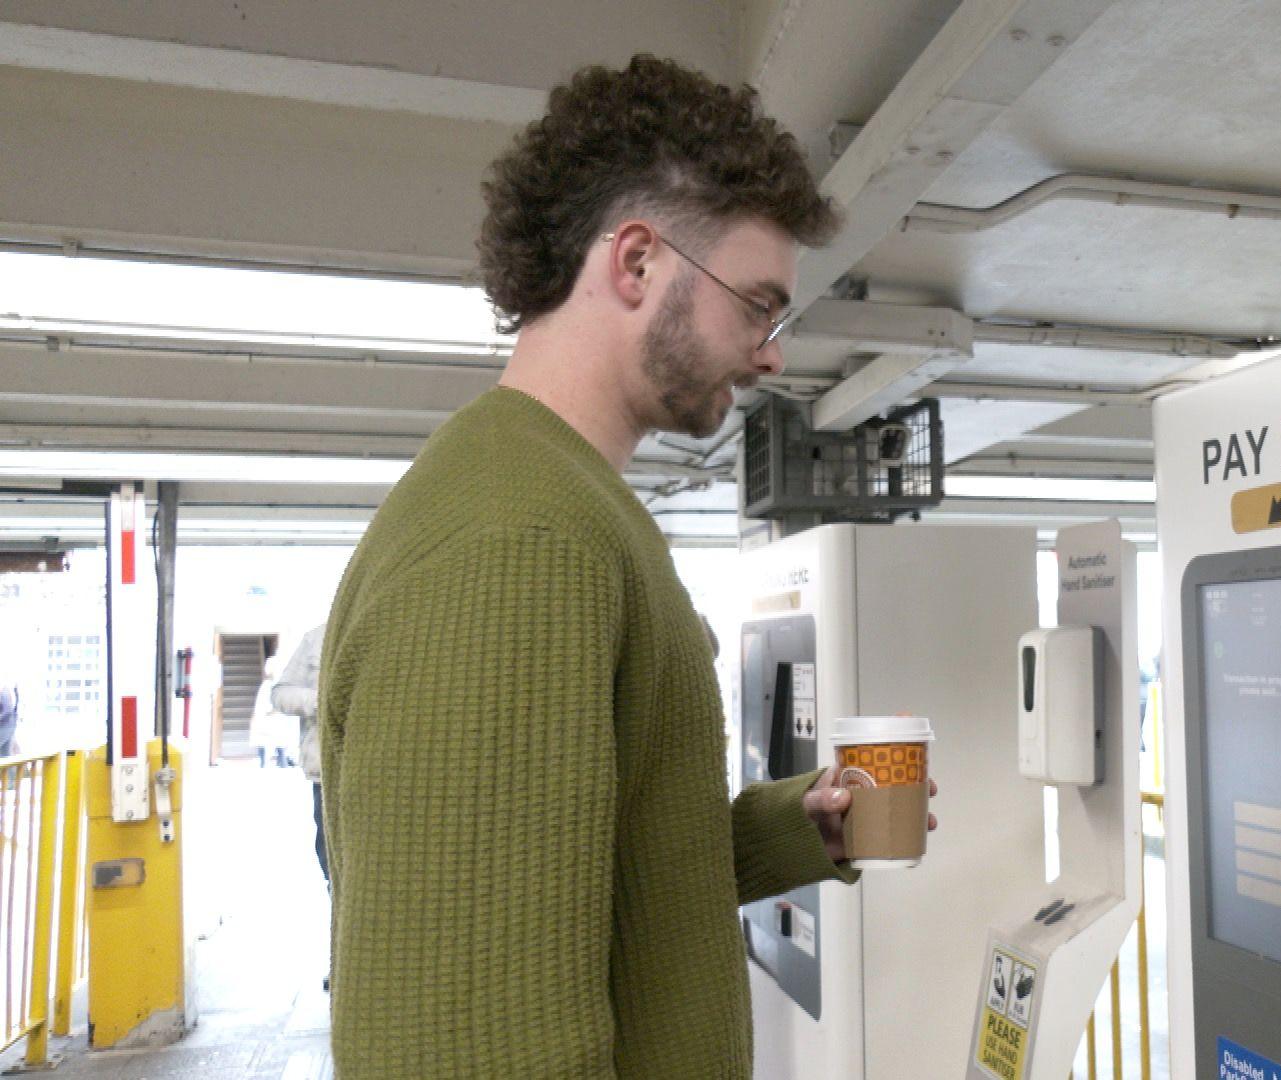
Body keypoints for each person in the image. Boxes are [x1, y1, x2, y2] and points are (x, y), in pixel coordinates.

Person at [318, 54, 933, 1078]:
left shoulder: (552, 501)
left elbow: (589, 871)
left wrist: (793, 834)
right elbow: (476, 1047)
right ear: (638, 264)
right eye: (758, 305)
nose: (772, 352)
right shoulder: (521, 543)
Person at [270, 624, 327, 885]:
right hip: (326, 775)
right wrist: (322, 700)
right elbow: (281, 695)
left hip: (380, 775)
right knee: (330, 860)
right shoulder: (316, 638)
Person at [247, 654, 298, 768]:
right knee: (263, 742)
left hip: (274, 720)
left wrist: (273, 711)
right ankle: (265, 763)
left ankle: (280, 762)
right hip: (265, 719)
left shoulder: (277, 685)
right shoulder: (266, 685)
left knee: (279, 743)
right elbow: (260, 704)